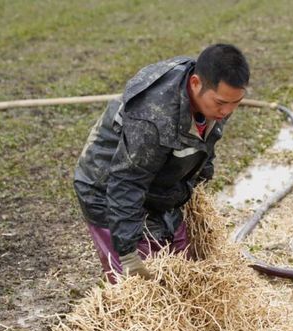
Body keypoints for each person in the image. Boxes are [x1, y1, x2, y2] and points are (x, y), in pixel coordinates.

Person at [74, 44, 249, 282]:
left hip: (159, 186)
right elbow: (126, 181)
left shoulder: (216, 101)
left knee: (182, 271)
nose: (227, 111)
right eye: (220, 103)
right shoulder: (154, 117)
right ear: (196, 84)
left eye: (236, 103)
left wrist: (198, 183)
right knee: (143, 286)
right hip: (109, 190)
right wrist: (127, 254)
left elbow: (205, 145)